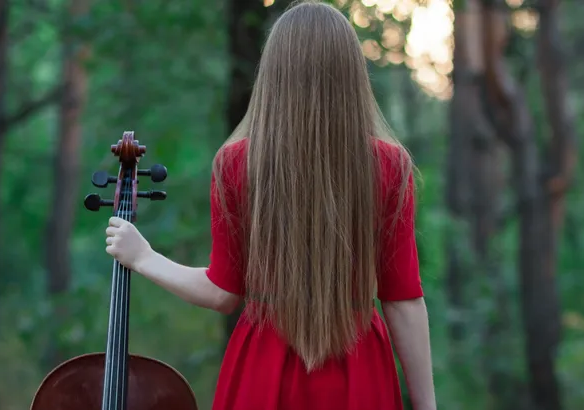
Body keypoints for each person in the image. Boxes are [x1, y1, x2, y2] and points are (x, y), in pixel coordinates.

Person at [104, 1, 436, 409]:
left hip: (262, 372)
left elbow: (224, 292)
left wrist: (144, 257)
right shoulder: (389, 166)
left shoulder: (237, 163)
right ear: (352, 75)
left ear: (274, 74)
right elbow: (402, 300)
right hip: (359, 373)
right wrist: (426, 405)